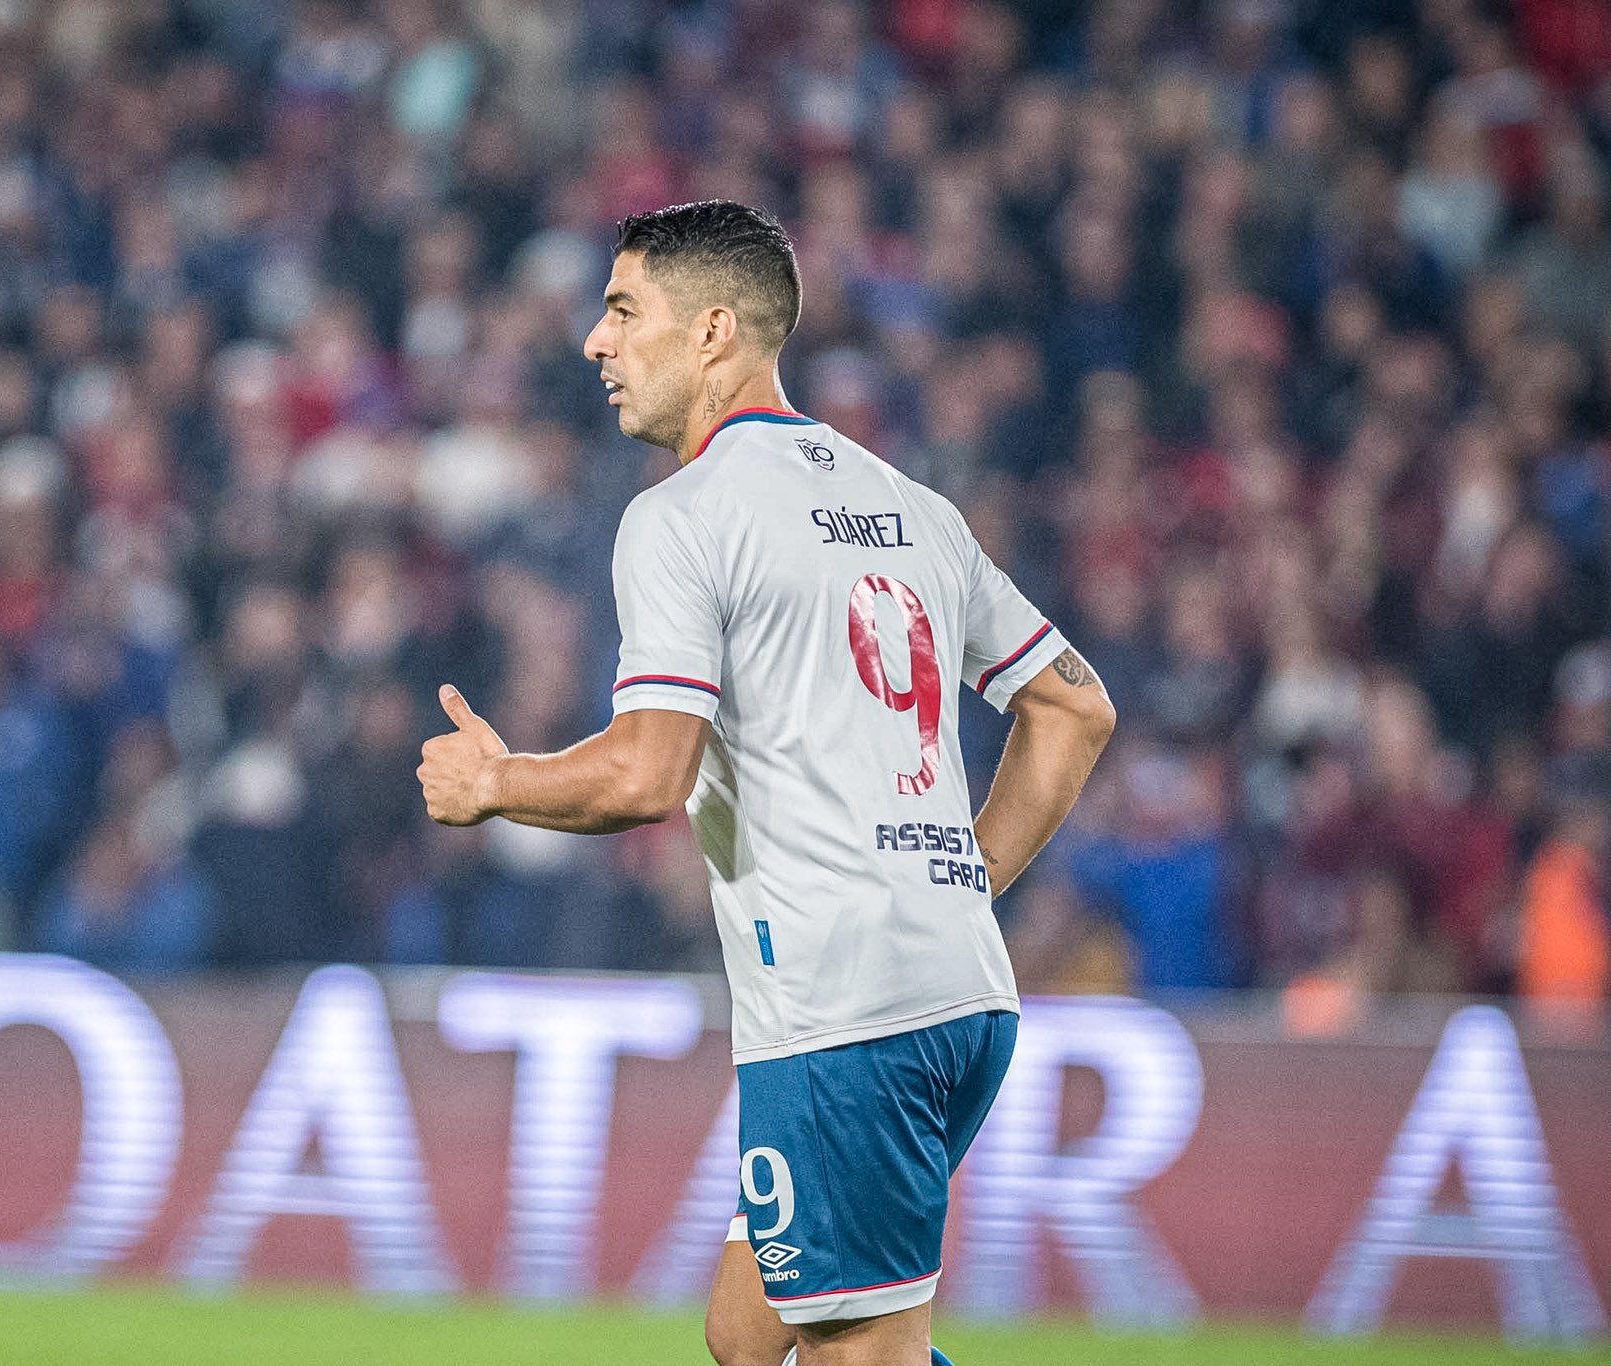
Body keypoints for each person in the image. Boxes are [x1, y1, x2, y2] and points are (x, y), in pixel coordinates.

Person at [418, 201, 1115, 1366]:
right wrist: (957, 882)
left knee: (859, 1354)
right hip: (953, 993)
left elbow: (649, 771)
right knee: (745, 1336)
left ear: (713, 333)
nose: (594, 340)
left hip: (846, 1013)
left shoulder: (684, 518)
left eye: (623, 309)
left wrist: (498, 780)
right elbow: (1072, 706)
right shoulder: (913, 509)